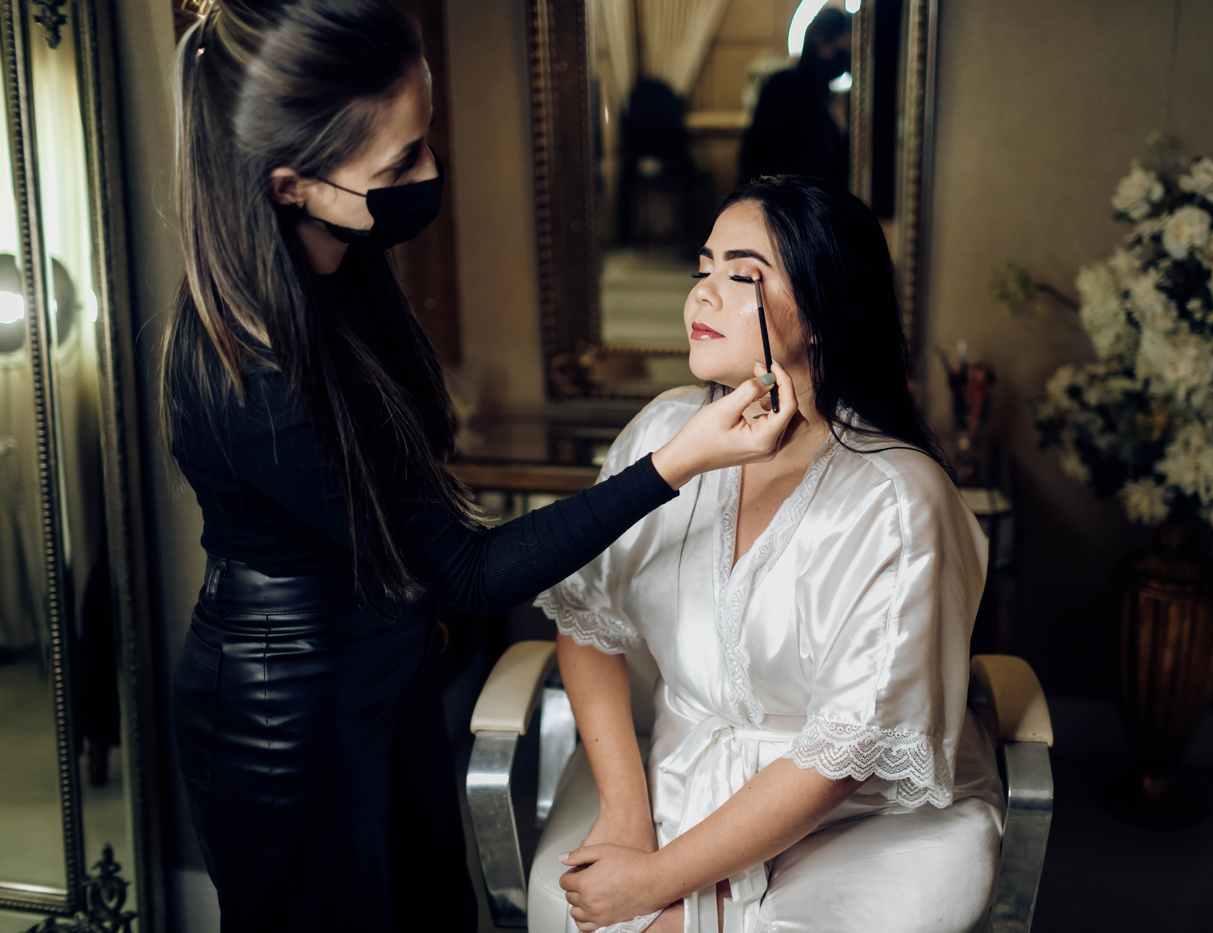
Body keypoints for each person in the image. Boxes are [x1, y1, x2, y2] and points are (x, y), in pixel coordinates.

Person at [159, 3, 796, 930]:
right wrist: (677, 462)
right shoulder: (252, 370)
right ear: (291, 186)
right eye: (397, 166)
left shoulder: (342, 264)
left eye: (427, 139)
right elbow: (469, 569)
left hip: (385, 676)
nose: (428, 174)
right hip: (286, 720)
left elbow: (405, 510)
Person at [540, 176, 1005, 933]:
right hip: (683, 781)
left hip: (865, 821)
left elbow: (841, 756)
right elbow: (588, 620)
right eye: (703, 267)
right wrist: (628, 817)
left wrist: (655, 880)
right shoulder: (662, 434)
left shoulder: (897, 499)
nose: (701, 293)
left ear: (822, 310)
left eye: (742, 275)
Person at [738, 9, 852, 188]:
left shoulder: (824, 96)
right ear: (822, 43)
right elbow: (759, 157)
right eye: (841, 49)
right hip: (786, 198)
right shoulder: (784, 86)